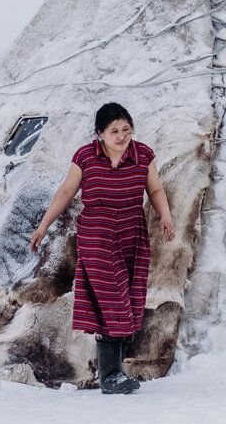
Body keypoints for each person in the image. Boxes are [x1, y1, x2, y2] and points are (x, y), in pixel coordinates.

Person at [29, 102, 175, 394]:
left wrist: (165, 215)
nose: (122, 136)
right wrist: (43, 226)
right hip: (98, 237)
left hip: (132, 236)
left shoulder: (143, 155)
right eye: (114, 131)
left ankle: (114, 373)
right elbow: (66, 192)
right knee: (114, 302)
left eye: (126, 130)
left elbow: (155, 189)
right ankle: (110, 376)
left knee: (129, 304)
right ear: (100, 134)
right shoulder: (85, 157)